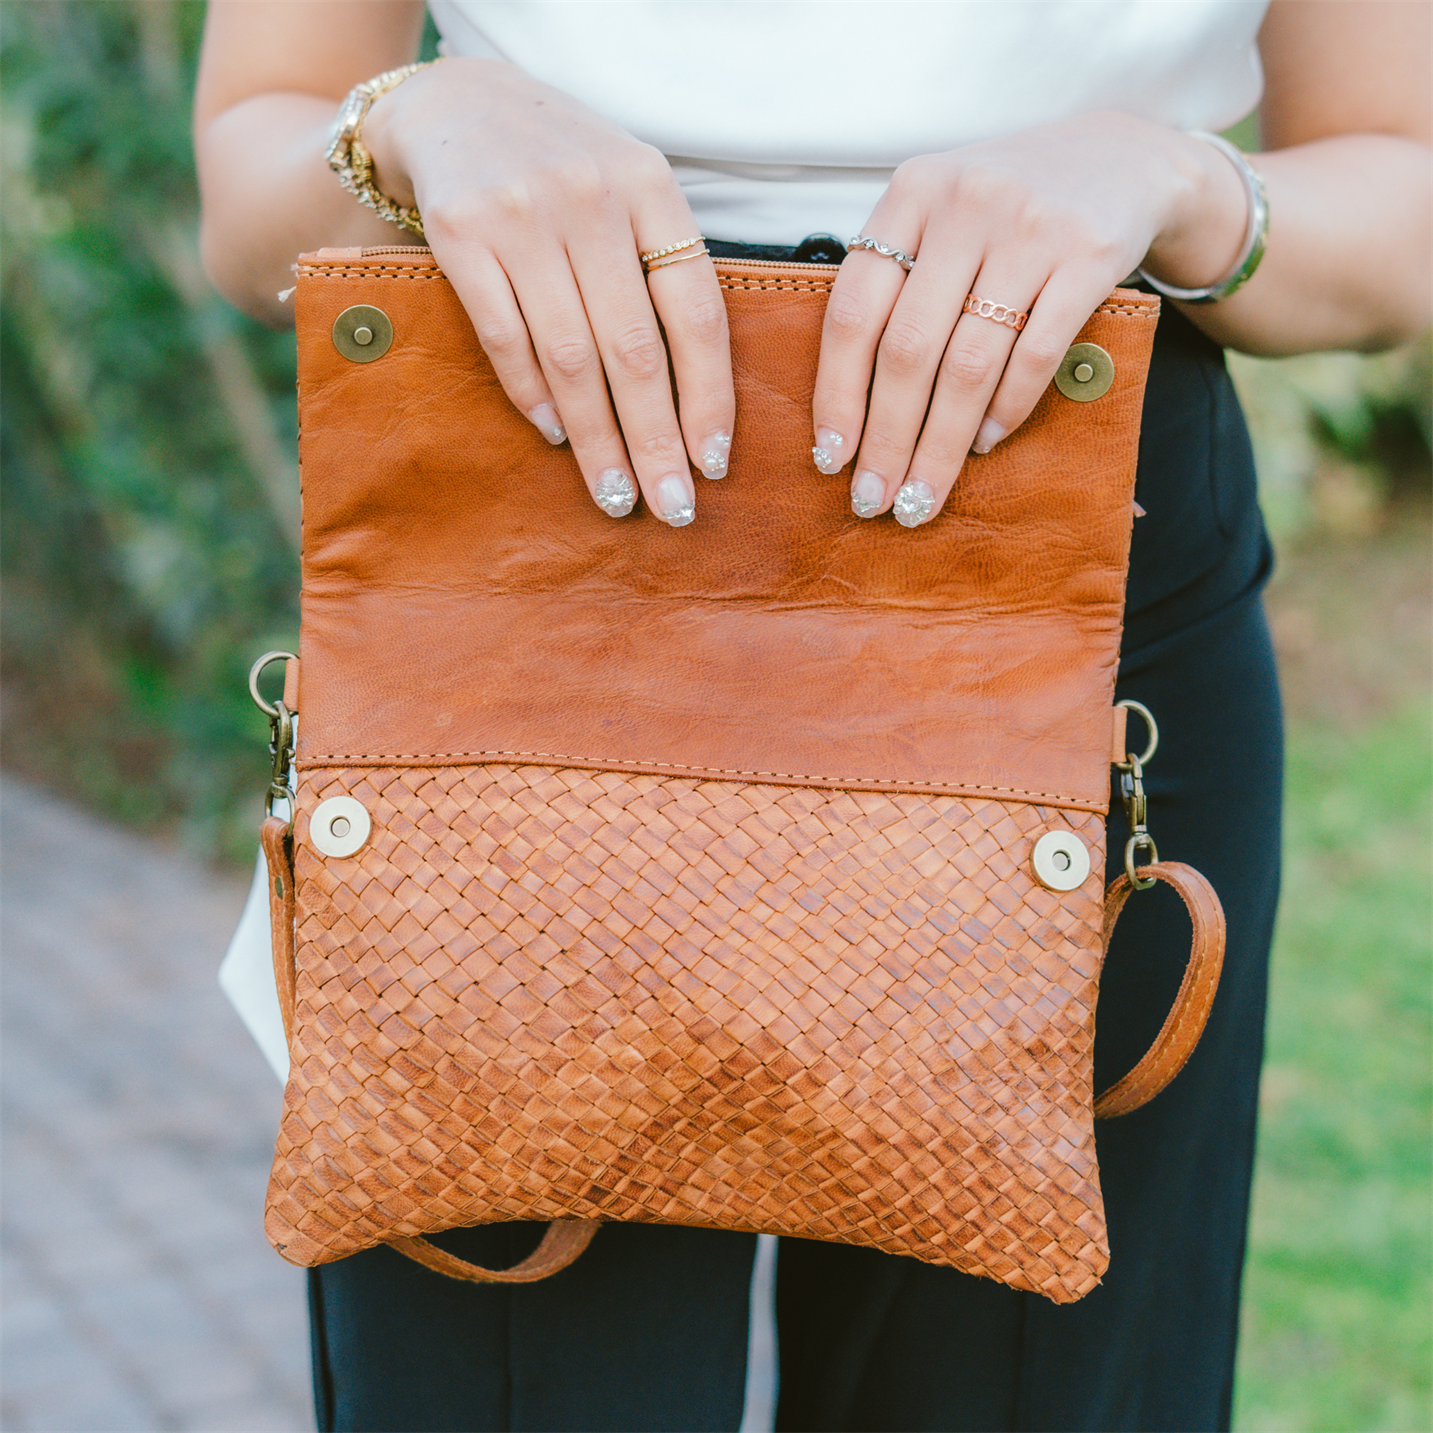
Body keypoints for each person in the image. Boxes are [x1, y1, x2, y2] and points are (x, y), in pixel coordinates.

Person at [194, 2, 1432, 1429]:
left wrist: (1177, 177)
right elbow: (249, 180)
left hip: (1070, 578)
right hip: (520, 551)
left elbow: (1396, 203)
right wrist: (402, 122)